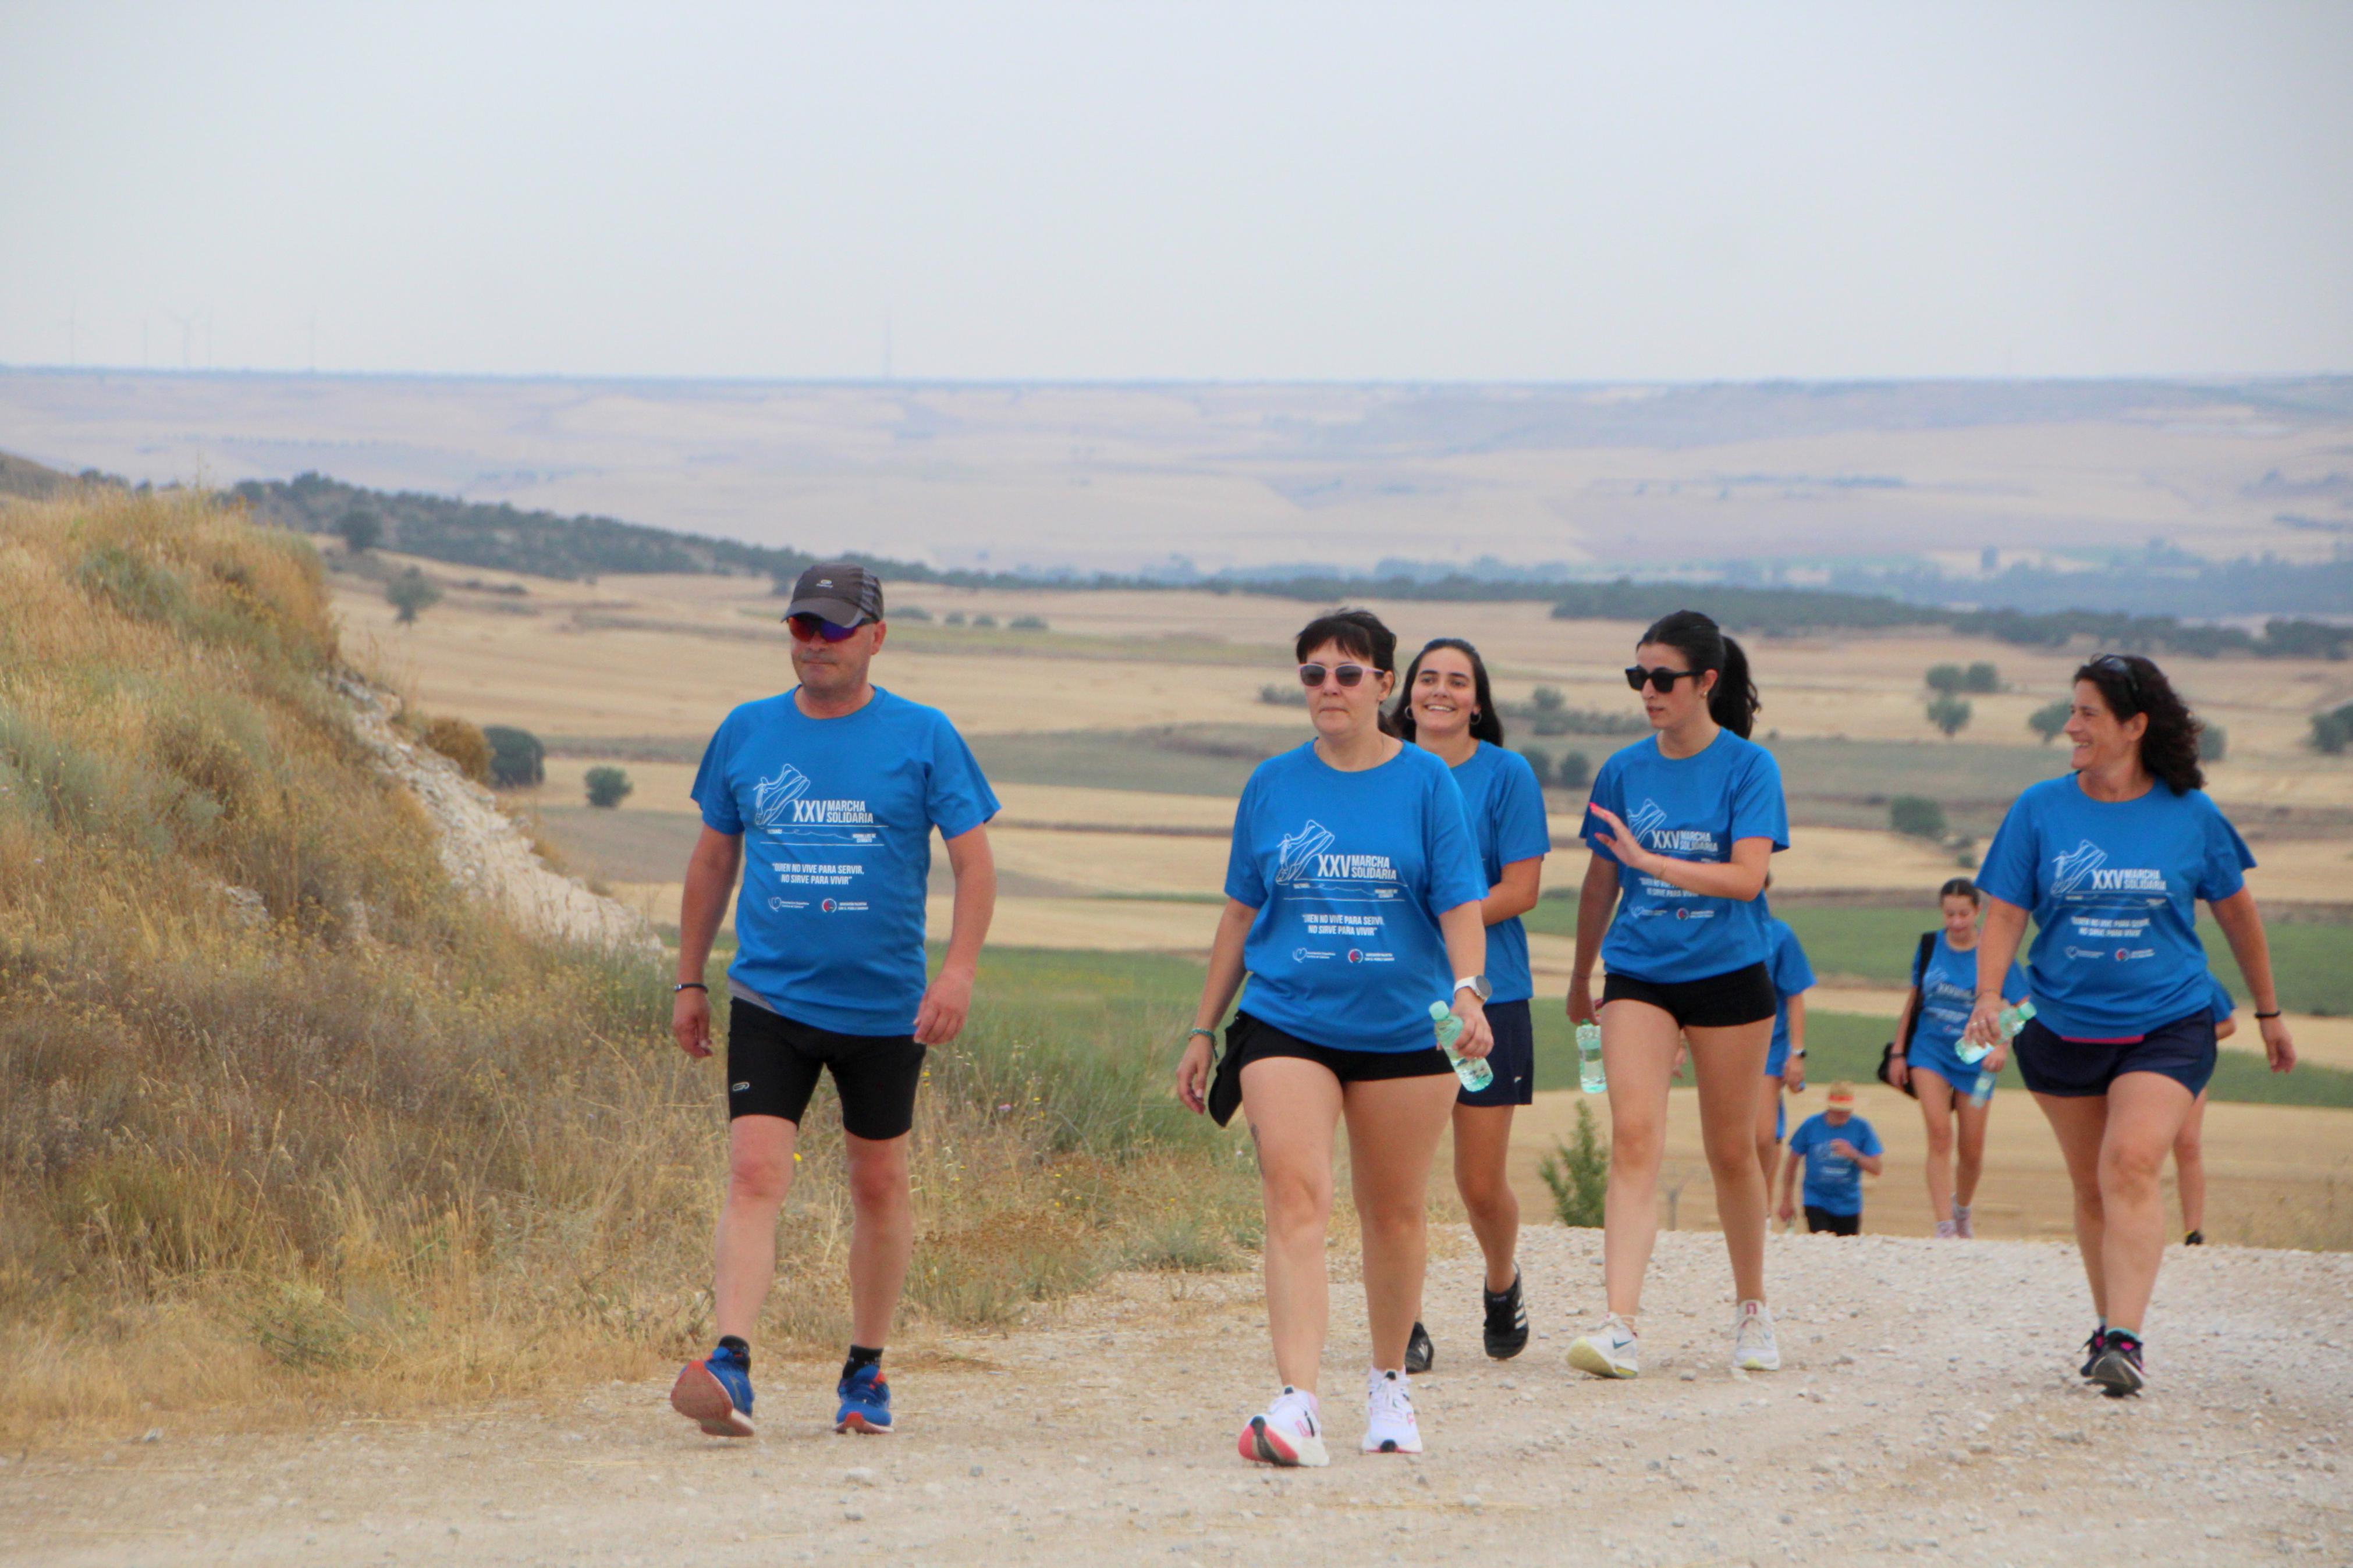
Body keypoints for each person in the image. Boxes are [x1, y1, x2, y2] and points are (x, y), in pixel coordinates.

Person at [667, 562, 999, 1439]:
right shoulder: (746, 730)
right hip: (770, 997)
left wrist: (958, 972)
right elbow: (712, 860)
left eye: (834, 628)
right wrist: (690, 979)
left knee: (878, 1181)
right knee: (754, 1172)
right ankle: (730, 1361)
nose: (814, 643)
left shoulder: (924, 735)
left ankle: (865, 1368)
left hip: (885, 1007)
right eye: (801, 626)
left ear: (875, 637)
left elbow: (973, 862)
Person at [1175, 610, 1493, 1465]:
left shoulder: (1427, 782)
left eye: (1348, 673)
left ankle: (1388, 1384)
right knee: (1294, 1194)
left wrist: (1468, 989)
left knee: (1392, 1210)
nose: (1328, 687)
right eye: (1313, 673)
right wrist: (1204, 1027)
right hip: (1288, 1018)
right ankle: (1298, 1402)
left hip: (1404, 1028)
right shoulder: (1271, 783)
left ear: (1384, 684)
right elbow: (1240, 912)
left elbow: (1459, 902)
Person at [1968, 653, 2295, 1398]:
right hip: (2060, 1025)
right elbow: (2006, 912)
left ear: (2134, 725)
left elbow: (2236, 912)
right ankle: (2105, 1324)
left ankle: (2125, 1338)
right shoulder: (2038, 808)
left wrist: (2268, 1011)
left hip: (2167, 1021)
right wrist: (1988, 993)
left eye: (2086, 713)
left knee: (2130, 1162)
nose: (2070, 726)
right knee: (2092, 1187)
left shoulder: (2190, 814)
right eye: (2071, 710)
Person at [1563, 609, 1790, 1380]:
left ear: (1705, 682)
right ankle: (1618, 1324)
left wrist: (1650, 862)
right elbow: (1600, 881)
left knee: (1732, 1149)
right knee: (1634, 1134)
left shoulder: (1748, 768)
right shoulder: (1622, 770)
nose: (1648, 690)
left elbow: (1746, 878)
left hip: (1729, 971)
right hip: (1639, 971)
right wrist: (1579, 975)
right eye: (1638, 676)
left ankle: (1751, 1307)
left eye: (1662, 677)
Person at [1390, 637, 1550, 1370]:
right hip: (1397, 994)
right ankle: (1402, 1318)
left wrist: (1442, 918)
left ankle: (1500, 1279)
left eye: (1457, 681)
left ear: (1477, 702)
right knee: (1397, 1178)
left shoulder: (1506, 774)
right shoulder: (1381, 769)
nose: (1440, 691)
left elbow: (1521, 889)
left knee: (1479, 1184)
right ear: (1405, 694)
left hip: (1492, 993)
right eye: (1427, 678)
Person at [1887, 878, 2028, 1239]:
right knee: (1939, 1135)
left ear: (1978, 911)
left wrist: (2002, 1046)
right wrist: (1899, 1051)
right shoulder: (1930, 946)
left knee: (1971, 1150)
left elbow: (2025, 1007)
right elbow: (1914, 1001)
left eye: (1964, 914)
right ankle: (1944, 1227)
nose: (1956, 922)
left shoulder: (1993, 954)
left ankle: (1962, 1209)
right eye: (1950, 914)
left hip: (1977, 1060)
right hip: (1929, 1051)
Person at [1753, 890, 1815, 1225]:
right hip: (1727, 1041)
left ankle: (1760, 1207)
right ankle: (1742, 1205)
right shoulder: (1717, 930)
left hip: (1770, 1046)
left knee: (1763, 1135)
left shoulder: (1779, 935)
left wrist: (1796, 1054)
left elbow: (1795, 995)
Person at [2173, 976, 2238, 1247]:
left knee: (2187, 1144)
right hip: (2127, 1067)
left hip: (2184, 1067)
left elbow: (2228, 1024)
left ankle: (2193, 1233)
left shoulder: (2198, 977)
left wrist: (2187, 1041)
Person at [1777, 1085, 1883, 1235]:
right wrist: (1786, 1200)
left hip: (1849, 1205)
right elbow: (1792, 1163)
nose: (1843, 1115)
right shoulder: (1811, 1126)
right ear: (1829, 1108)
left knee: (1846, 1245)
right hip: (1816, 1200)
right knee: (1821, 1240)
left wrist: (1853, 1154)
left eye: (1846, 1110)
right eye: (1838, 1111)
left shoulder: (1862, 1128)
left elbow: (1876, 1168)